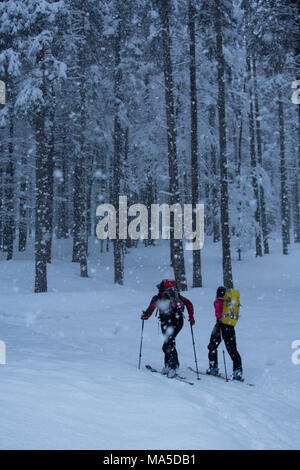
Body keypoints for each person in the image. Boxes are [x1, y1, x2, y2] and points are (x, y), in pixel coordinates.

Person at [141, 279, 195, 378]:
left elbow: (150, 309)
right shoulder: (177, 296)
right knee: (168, 343)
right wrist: (191, 317)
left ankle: (173, 367)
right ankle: (169, 365)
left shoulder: (158, 298)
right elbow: (189, 304)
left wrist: (145, 316)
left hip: (167, 321)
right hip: (177, 321)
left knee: (169, 343)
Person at [207, 286, 243, 380]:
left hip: (220, 326)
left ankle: (213, 367)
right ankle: (237, 371)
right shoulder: (229, 302)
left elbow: (218, 314)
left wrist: (219, 319)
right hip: (230, 326)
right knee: (232, 349)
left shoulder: (217, 302)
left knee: (212, 346)